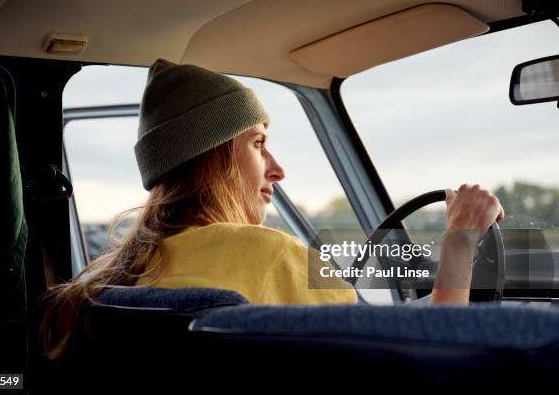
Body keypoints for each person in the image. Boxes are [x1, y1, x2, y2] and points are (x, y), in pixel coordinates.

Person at [40, 59, 504, 360]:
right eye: (259, 144)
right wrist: (461, 238)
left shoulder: (116, 276)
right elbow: (426, 347)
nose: (277, 169)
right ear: (213, 155)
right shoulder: (270, 254)